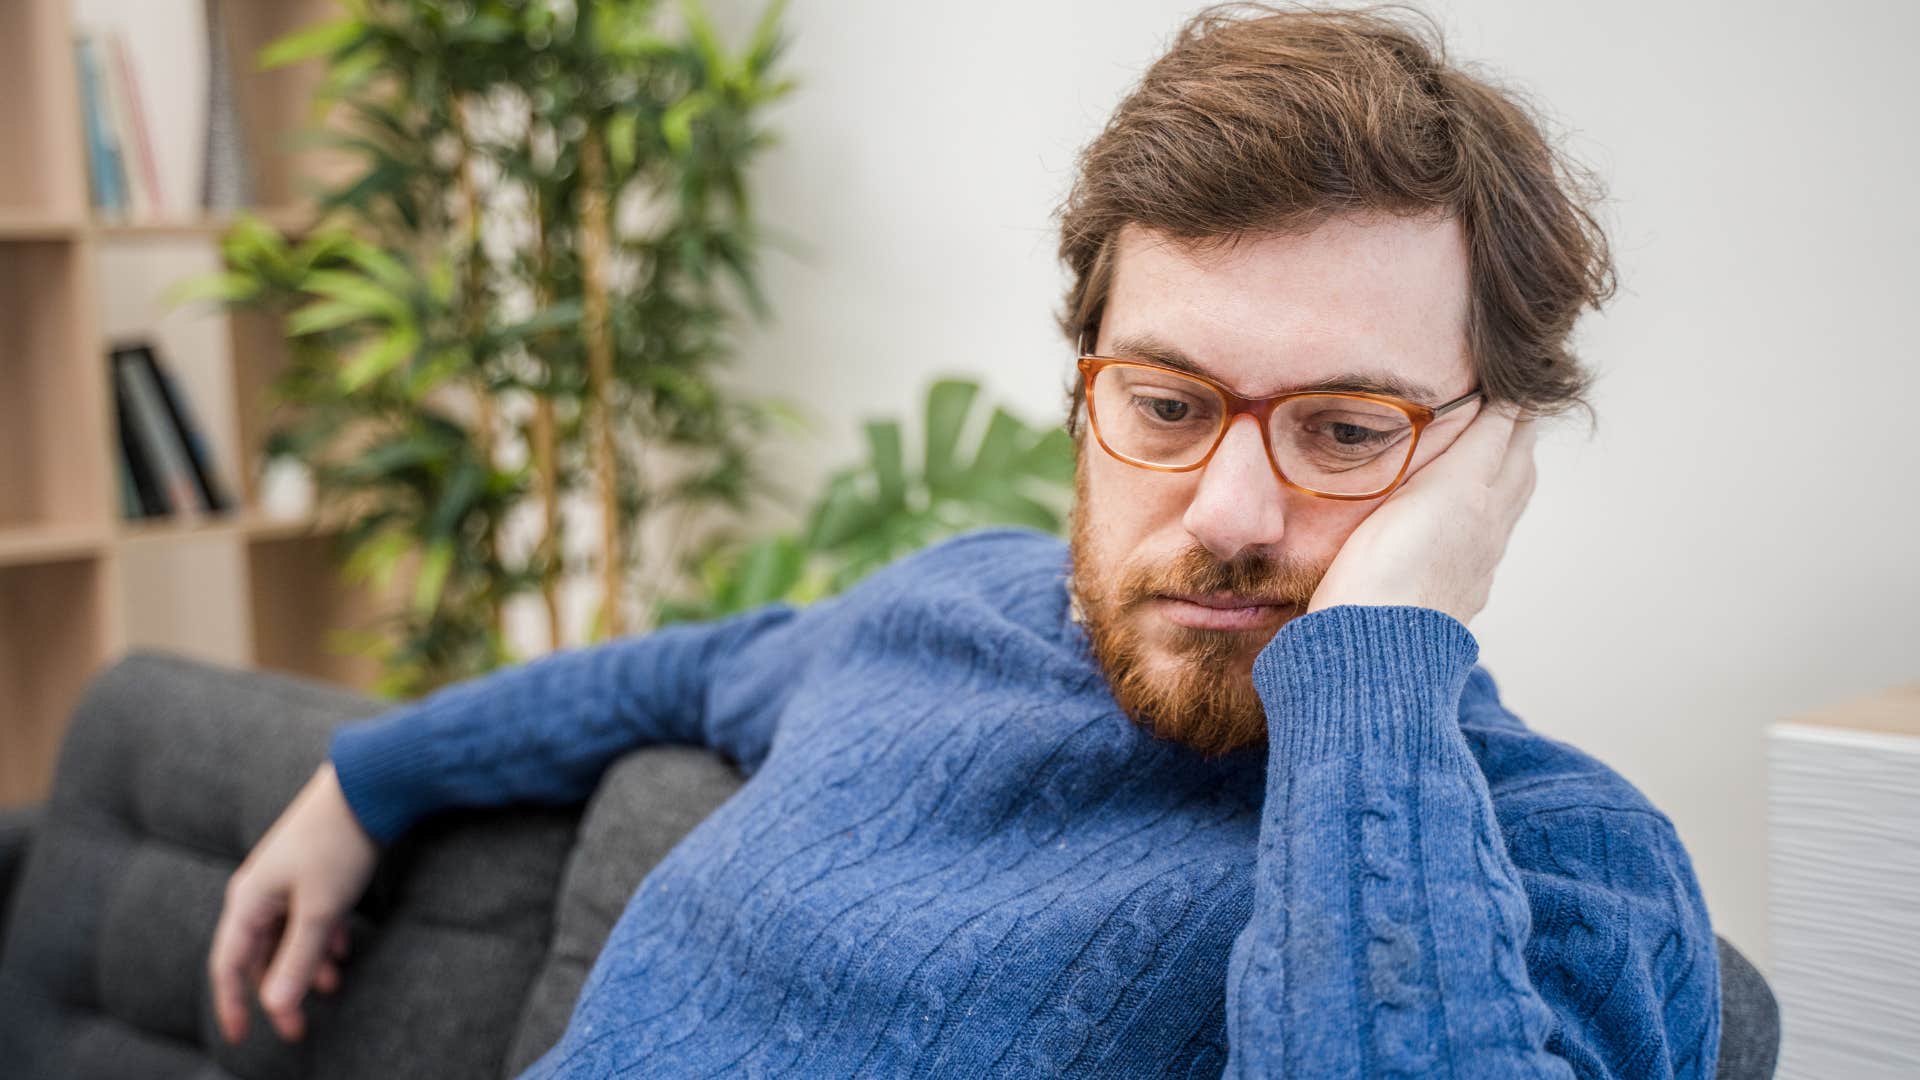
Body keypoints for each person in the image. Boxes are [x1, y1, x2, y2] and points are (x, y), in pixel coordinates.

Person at [209, 3, 1722, 1076]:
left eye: (1347, 429)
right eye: (1167, 402)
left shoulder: (1574, 867)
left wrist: (1377, 664)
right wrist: (365, 781)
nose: (1232, 514)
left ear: (1489, 461)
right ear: (1084, 393)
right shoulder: (955, 607)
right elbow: (680, 675)